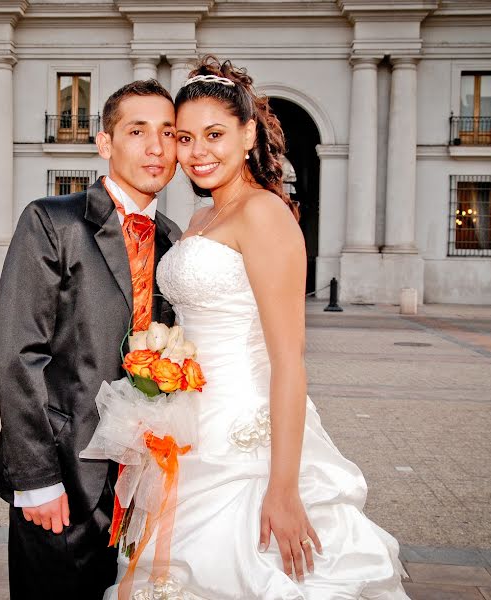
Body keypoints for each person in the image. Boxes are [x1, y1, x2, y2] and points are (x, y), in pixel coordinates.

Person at [103, 57, 409, 599]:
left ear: (247, 134)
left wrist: (284, 489)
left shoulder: (265, 214)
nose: (198, 152)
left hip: (246, 435)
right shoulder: (200, 220)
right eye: (185, 137)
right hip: (187, 422)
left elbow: (289, 361)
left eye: (215, 134)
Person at [0, 79, 182, 600]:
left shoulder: (172, 238)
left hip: (139, 478)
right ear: (105, 142)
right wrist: (36, 479)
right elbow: (17, 354)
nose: (157, 148)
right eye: (137, 131)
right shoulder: (53, 222)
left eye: (168, 132)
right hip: (63, 473)